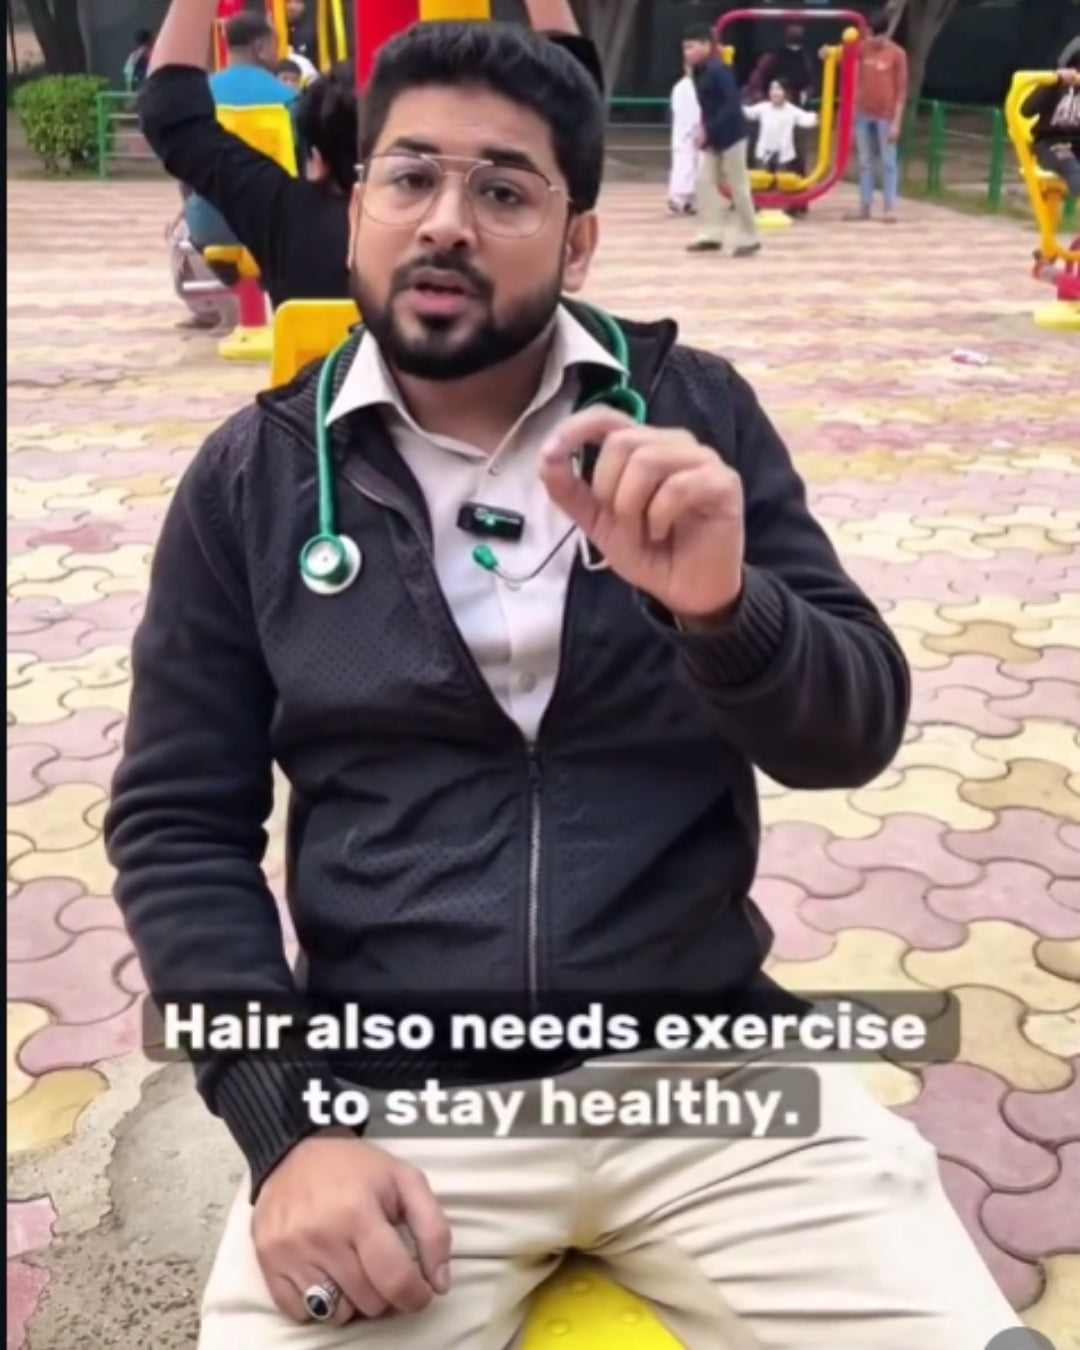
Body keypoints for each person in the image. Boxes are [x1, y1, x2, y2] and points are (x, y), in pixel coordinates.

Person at [105, 19, 1025, 1350]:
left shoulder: (691, 417)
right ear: (353, 207)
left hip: (710, 1077)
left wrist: (727, 613)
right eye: (410, 176)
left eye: (504, 189)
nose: (446, 221)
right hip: (397, 1103)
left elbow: (855, 731)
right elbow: (177, 825)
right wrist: (285, 1124)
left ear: (578, 240)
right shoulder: (250, 483)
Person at [140, 0, 356, 311]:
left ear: (318, 161)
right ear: (261, 48)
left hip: (218, 221)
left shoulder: (205, 94)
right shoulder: (289, 99)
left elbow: (171, 114)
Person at [683, 24, 759, 256]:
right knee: (705, 182)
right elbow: (707, 106)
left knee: (738, 185)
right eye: (685, 48)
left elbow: (731, 104)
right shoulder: (698, 72)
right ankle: (711, 234)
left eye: (691, 46)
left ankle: (750, 235)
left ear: (707, 45)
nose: (687, 52)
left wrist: (709, 130)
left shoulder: (720, 70)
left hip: (732, 134)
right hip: (713, 135)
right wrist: (705, 130)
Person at [847, 8, 908, 223]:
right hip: (864, 113)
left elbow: (901, 90)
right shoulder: (862, 49)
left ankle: (890, 207)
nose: (875, 41)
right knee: (865, 161)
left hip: (886, 115)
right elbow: (844, 59)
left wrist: (896, 122)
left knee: (888, 162)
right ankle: (865, 206)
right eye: (871, 35)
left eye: (879, 36)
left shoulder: (897, 54)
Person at [744, 77, 819, 218]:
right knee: (759, 181)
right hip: (765, 153)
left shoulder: (792, 110)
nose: (775, 92)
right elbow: (747, 112)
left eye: (778, 89)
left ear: (786, 92)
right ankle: (755, 204)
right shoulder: (763, 108)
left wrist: (820, 115)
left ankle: (793, 206)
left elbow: (808, 119)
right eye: (772, 89)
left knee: (787, 181)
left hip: (784, 154)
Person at [1021, 53, 1080, 197]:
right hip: (1051, 141)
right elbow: (1027, 110)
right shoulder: (1054, 86)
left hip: (1077, 141)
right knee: (1070, 165)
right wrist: (1055, 81)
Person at [746, 23, 815, 107]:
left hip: (795, 104)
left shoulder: (806, 58)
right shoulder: (772, 56)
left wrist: (805, 95)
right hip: (770, 103)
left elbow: (810, 83)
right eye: (793, 23)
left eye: (798, 24)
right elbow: (757, 79)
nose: (796, 29)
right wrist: (761, 99)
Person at [668, 63, 701, 214]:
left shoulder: (702, 85)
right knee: (682, 165)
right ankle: (677, 199)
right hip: (683, 132)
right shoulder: (679, 88)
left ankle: (691, 201)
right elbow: (677, 111)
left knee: (698, 166)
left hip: (699, 131)